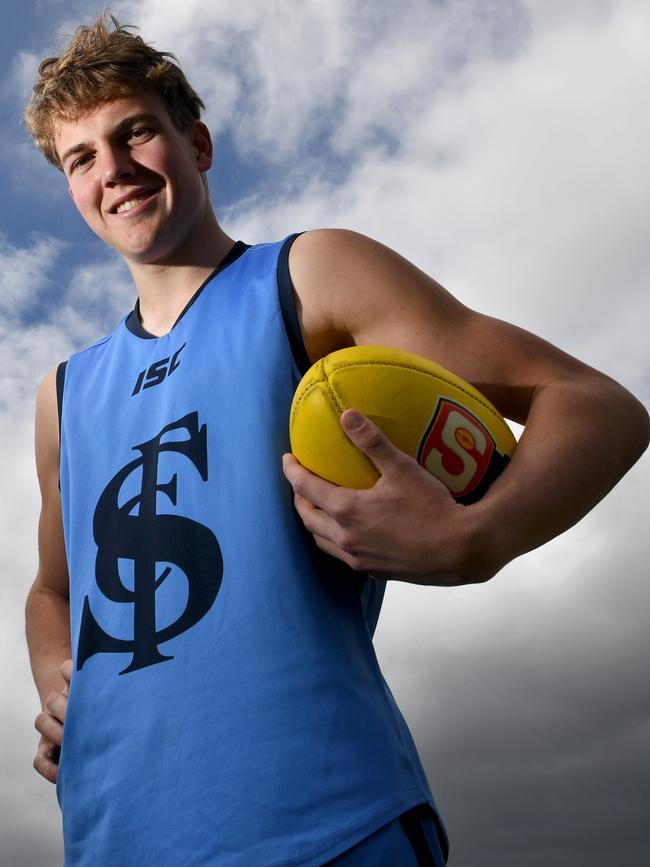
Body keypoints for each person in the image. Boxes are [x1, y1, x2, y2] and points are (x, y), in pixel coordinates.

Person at [24, 14, 648, 867]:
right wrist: (59, 676)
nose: (115, 169)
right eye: (81, 156)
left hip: (326, 822)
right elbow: (52, 590)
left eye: (136, 132)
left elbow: (595, 404)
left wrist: (478, 536)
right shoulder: (64, 393)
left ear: (197, 143)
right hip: (113, 838)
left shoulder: (308, 277)